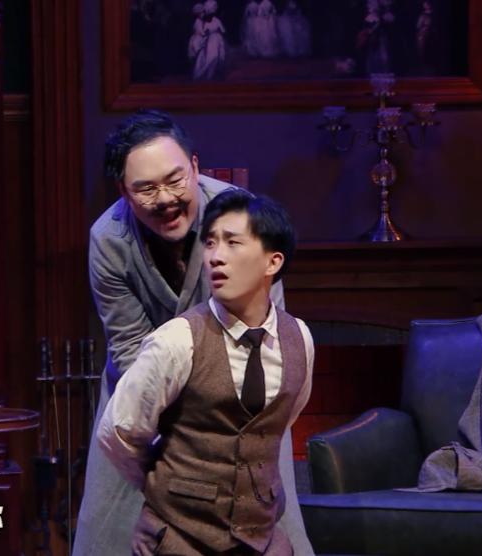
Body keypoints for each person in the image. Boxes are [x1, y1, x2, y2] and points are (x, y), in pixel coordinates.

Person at [73, 110, 314, 555]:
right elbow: (129, 346)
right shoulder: (107, 239)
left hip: (241, 386)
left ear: (195, 166)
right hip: (143, 388)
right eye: (146, 189)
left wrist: (222, 417)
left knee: (261, 513)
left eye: (175, 180)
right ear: (123, 190)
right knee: (116, 526)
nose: (165, 198)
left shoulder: (241, 216)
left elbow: (266, 326)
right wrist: (177, 444)